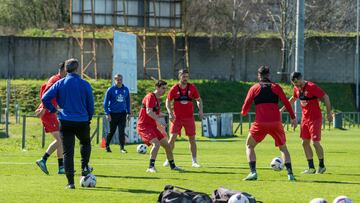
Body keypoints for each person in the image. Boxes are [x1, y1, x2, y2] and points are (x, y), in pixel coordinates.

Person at [42, 58, 94, 189]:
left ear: (65, 69)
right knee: (85, 143)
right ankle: (84, 169)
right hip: (82, 121)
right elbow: (91, 105)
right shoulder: (85, 84)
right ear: (77, 69)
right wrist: (89, 117)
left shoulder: (60, 83)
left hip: (65, 121)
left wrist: (54, 110)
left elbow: (45, 98)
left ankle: (70, 183)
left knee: (68, 152)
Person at [241, 66, 297, 181]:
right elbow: (286, 103)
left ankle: (253, 172)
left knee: (249, 145)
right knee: (283, 148)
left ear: (259, 75)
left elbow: (246, 106)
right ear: (269, 75)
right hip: (276, 123)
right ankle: (290, 174)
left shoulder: (254, 88)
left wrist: (244, 112)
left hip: (260, 123)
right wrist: (293, 117)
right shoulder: (276, 87)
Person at [281, 72, 332, 174]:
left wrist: (329, 112)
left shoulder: (312, 86)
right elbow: (294, 98)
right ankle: (311, 167)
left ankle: (321, 166)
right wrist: (282, 109)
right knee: (304, 143)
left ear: (301, 78)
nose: (296, 85)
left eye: (297, 82)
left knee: (315, 143)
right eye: (294, 84)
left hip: (315, 118)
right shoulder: (296, 88)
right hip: (305, 119)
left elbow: (326, 97)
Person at [137, 80, 182, 173]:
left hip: (152, 126)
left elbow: (157, 113)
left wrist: (168, 115)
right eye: (163, 88)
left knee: (167, 146)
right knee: (156, 144)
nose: (164, 91)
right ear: (157, 87)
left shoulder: (156, 99)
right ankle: (150, 167)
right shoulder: (150, 96)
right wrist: (159, 122)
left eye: (165, 89)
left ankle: (173, 166)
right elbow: (149, 112)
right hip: (144, 126)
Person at [164, 69, 204, 168]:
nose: (185, 78)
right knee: (172, 138)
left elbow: (198, 100)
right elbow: (167, 101)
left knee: (192, 139)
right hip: (177, 117)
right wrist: (170, 113)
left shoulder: (192, 87)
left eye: (187, 76)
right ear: (179, 76)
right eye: (183, 76)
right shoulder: (174, 88)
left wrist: (200, 110)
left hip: (189, 117)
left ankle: (194, 161)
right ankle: (168, 159)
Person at [35, 61, 66, 175]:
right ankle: (43, 160)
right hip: (47, 113)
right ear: (63, 70)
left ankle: (61, 167)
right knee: (60, 139)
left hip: (51, 113)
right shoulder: (55, 79)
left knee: (60, 141)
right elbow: (45, 92)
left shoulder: (59, 79)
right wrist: (43, 107)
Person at [103, 74, 131, 153]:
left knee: (121, 131)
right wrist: (107, 113)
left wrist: (128, 112)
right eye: (117, 80)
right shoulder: (110, 89)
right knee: (112, 131)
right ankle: (107, 146)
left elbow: (128, 102)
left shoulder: (125, 89)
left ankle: (122, 148)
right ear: (115, 80)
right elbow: (105, 103)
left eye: (120, 79)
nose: (119, 81)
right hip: (113, 114)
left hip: (122, 114)